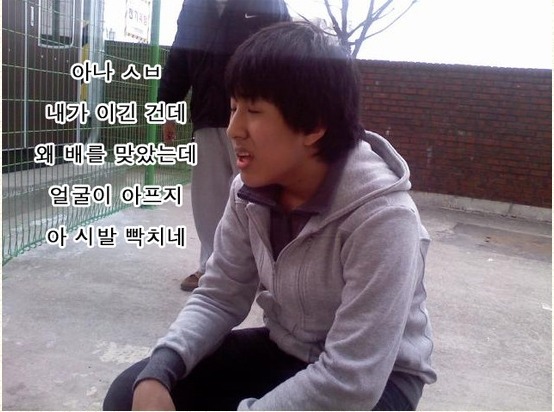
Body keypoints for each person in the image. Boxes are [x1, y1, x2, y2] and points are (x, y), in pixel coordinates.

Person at [104, 21, 437, 410]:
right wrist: (162, 368)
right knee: (132, 394)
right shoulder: (247, 193)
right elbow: (219, 296)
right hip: (290, 349)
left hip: (377, 382)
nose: (233, 129)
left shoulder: (384, 219)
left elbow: (351, 380)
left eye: (254, 111)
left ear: (313, 125)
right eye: (233, 108)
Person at [159, 0, 290, 291]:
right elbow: (180, 55)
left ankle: (262, 268)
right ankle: (210, 266)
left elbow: (285, 52)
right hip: (206, 115)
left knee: (257, 195)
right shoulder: (195, 5)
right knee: (207, 197)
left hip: (254, 116)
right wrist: (167, 107)